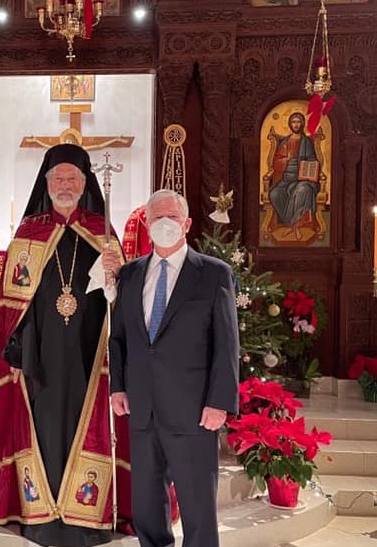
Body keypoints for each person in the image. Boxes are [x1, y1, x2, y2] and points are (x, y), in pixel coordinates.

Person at [0, 143, 127, 547]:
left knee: (90, 428)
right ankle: (40, 519)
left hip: (90, 354)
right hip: (41, 357)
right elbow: (10, 306)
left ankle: (89, 520)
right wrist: (15, 352)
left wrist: (118, 274)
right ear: (46, 185)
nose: (65, 185)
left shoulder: (103, 233)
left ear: (84, 185)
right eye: (58, 179)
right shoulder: (29, 234)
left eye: (72, 179)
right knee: (45, 432)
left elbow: (121, 300)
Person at [109, 189, 239, 547]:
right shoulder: (131, 275)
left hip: (194, 411)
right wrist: (117, 386)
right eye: (157, 218)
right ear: (147, 224)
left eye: (171, 217)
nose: (164, 224)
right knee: (147, 506)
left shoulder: (213, 274)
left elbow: (227, 344)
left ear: (187, 224)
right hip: (143, 409)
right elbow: (118, 337)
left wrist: (220, 402)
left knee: (197, 506)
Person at [268, 112, 319, 236]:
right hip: (286, 179)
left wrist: (306, 167)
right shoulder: (284, 142)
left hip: (303, 179)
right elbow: (276, 162)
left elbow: (313, 160)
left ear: (302, 124)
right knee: (274, 194)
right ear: (290, 124)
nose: (296, 125)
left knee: (302, 190)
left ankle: (292, 225)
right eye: (293, 122)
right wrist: (287, 160)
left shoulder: (306, 142)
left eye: (298, 122)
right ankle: (292, 223)